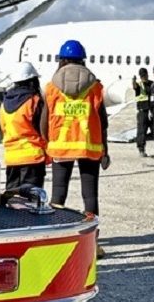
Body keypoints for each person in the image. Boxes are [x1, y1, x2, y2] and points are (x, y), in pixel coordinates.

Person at [41, 39, 109, 257]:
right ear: (82, 60)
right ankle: (92, 244)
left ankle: (55, 242)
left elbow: (44, 120)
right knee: (90, 196)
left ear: (61, 60)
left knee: (58, 195)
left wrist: (48, 142)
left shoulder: (51, 87)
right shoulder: (95, 87)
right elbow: (103, 121)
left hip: (60, 148)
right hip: (89, 147)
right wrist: (105, 150)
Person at [0, 62, 47, 192]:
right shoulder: (34, 101)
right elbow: (43, 129)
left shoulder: (4, 102)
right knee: (31, 199)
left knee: (12, 199)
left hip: (12, 158)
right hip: (32, 157)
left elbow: (3, 129)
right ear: (32, 80)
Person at [131, 67, 153, 157]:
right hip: (142, 111)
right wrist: (133, 81)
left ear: (147, 75)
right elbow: (134, 86)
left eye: (145, 75)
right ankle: (141, 149)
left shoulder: (152, 84)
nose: (144, 77)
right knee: (142, 131)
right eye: (142, 76)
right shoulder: (139, 85)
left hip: (151, 111)